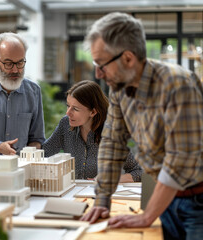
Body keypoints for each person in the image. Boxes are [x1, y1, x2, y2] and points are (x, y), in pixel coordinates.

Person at [81, 12, 203, 240]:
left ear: (128, 58)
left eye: (102, 65)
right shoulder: (119, 88)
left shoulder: (178, 85)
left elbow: (181, 159)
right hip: (167, 197)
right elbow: (112, 142)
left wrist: (147, 216)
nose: (97, 74)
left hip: (197, 202)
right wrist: (103, 198)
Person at [42, 80, 141, 182]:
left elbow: (139, 171)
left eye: (75, 109)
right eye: (68, 106)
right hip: (72, 194)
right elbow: (43, 154)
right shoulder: (65, 124)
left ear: (93, 112)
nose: (68, 113)